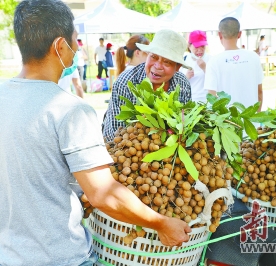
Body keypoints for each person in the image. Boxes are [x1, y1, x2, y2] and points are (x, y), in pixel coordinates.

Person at [0, 1, 191, 265]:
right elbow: (102, 193)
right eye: (75, 40)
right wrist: (160, 223)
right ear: (60, 46)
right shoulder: (70, 110)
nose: (77, 48)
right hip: (61, 256)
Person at [103, 29, 192, 140]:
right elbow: (114, 135)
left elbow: (185, 128)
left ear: (177, 67)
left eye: (167, 62)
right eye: (153, 57)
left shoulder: (182, 84)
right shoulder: (126, 82)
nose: (158, 66)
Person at [204, 17, 263, 112]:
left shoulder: (213, 61)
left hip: (227, 123)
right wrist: (257, 115)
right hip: (251, 121)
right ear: (239, 34)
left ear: (219, 34)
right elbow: (259, 91)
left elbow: (211, 98)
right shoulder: (254, 57)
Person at [180, 30, 210, 103]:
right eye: (196, 47)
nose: (200, 50)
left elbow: (217, 81)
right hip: (189, 102)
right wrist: (186, 78)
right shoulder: (183, 60)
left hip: (206, 101)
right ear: (189, 46)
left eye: (202, 46)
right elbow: (177, 86)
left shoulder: (211, 59)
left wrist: (205, 68)